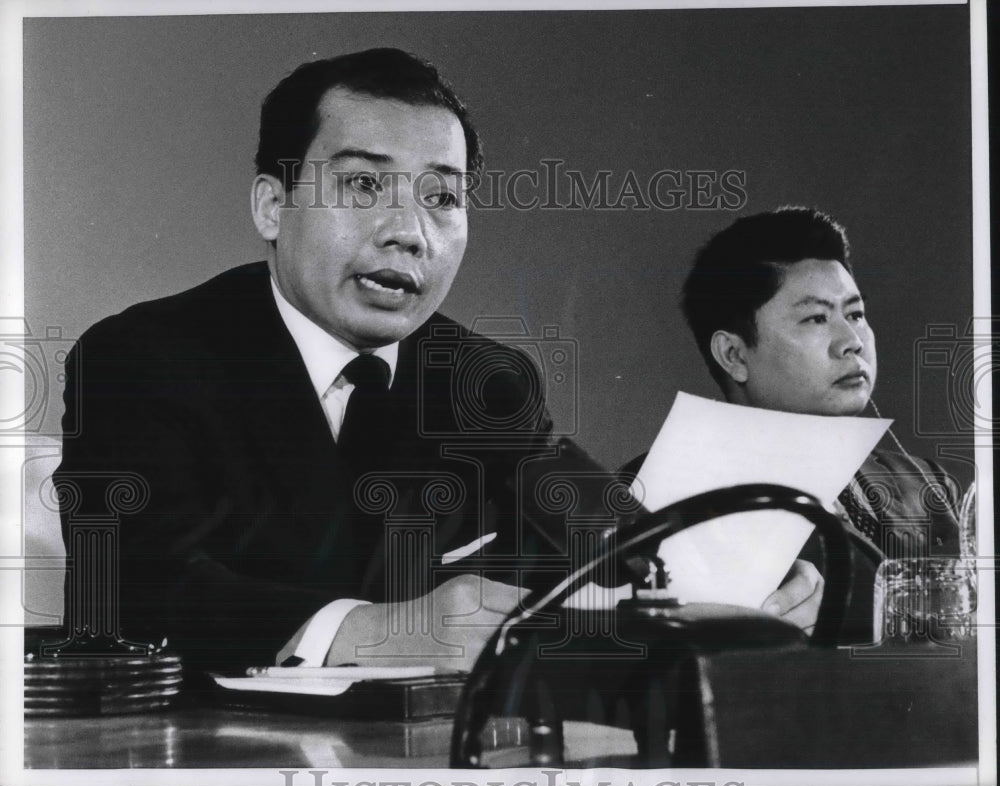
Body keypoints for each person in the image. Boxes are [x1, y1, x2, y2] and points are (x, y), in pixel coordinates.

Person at [54, 49, 819, 675]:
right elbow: (131, 580)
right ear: (271, 204)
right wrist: (375, 631)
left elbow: (603, 532)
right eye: (362, 184)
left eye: (442, 198)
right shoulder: (141, 358)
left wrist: (729, 588)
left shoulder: (482, 378)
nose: (409, 232)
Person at [677, 206, 962, 642]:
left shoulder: (926, 484)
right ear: (734, 355)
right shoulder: (668, 496)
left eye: (855, 314)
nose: (851, 343)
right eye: (815, 318)